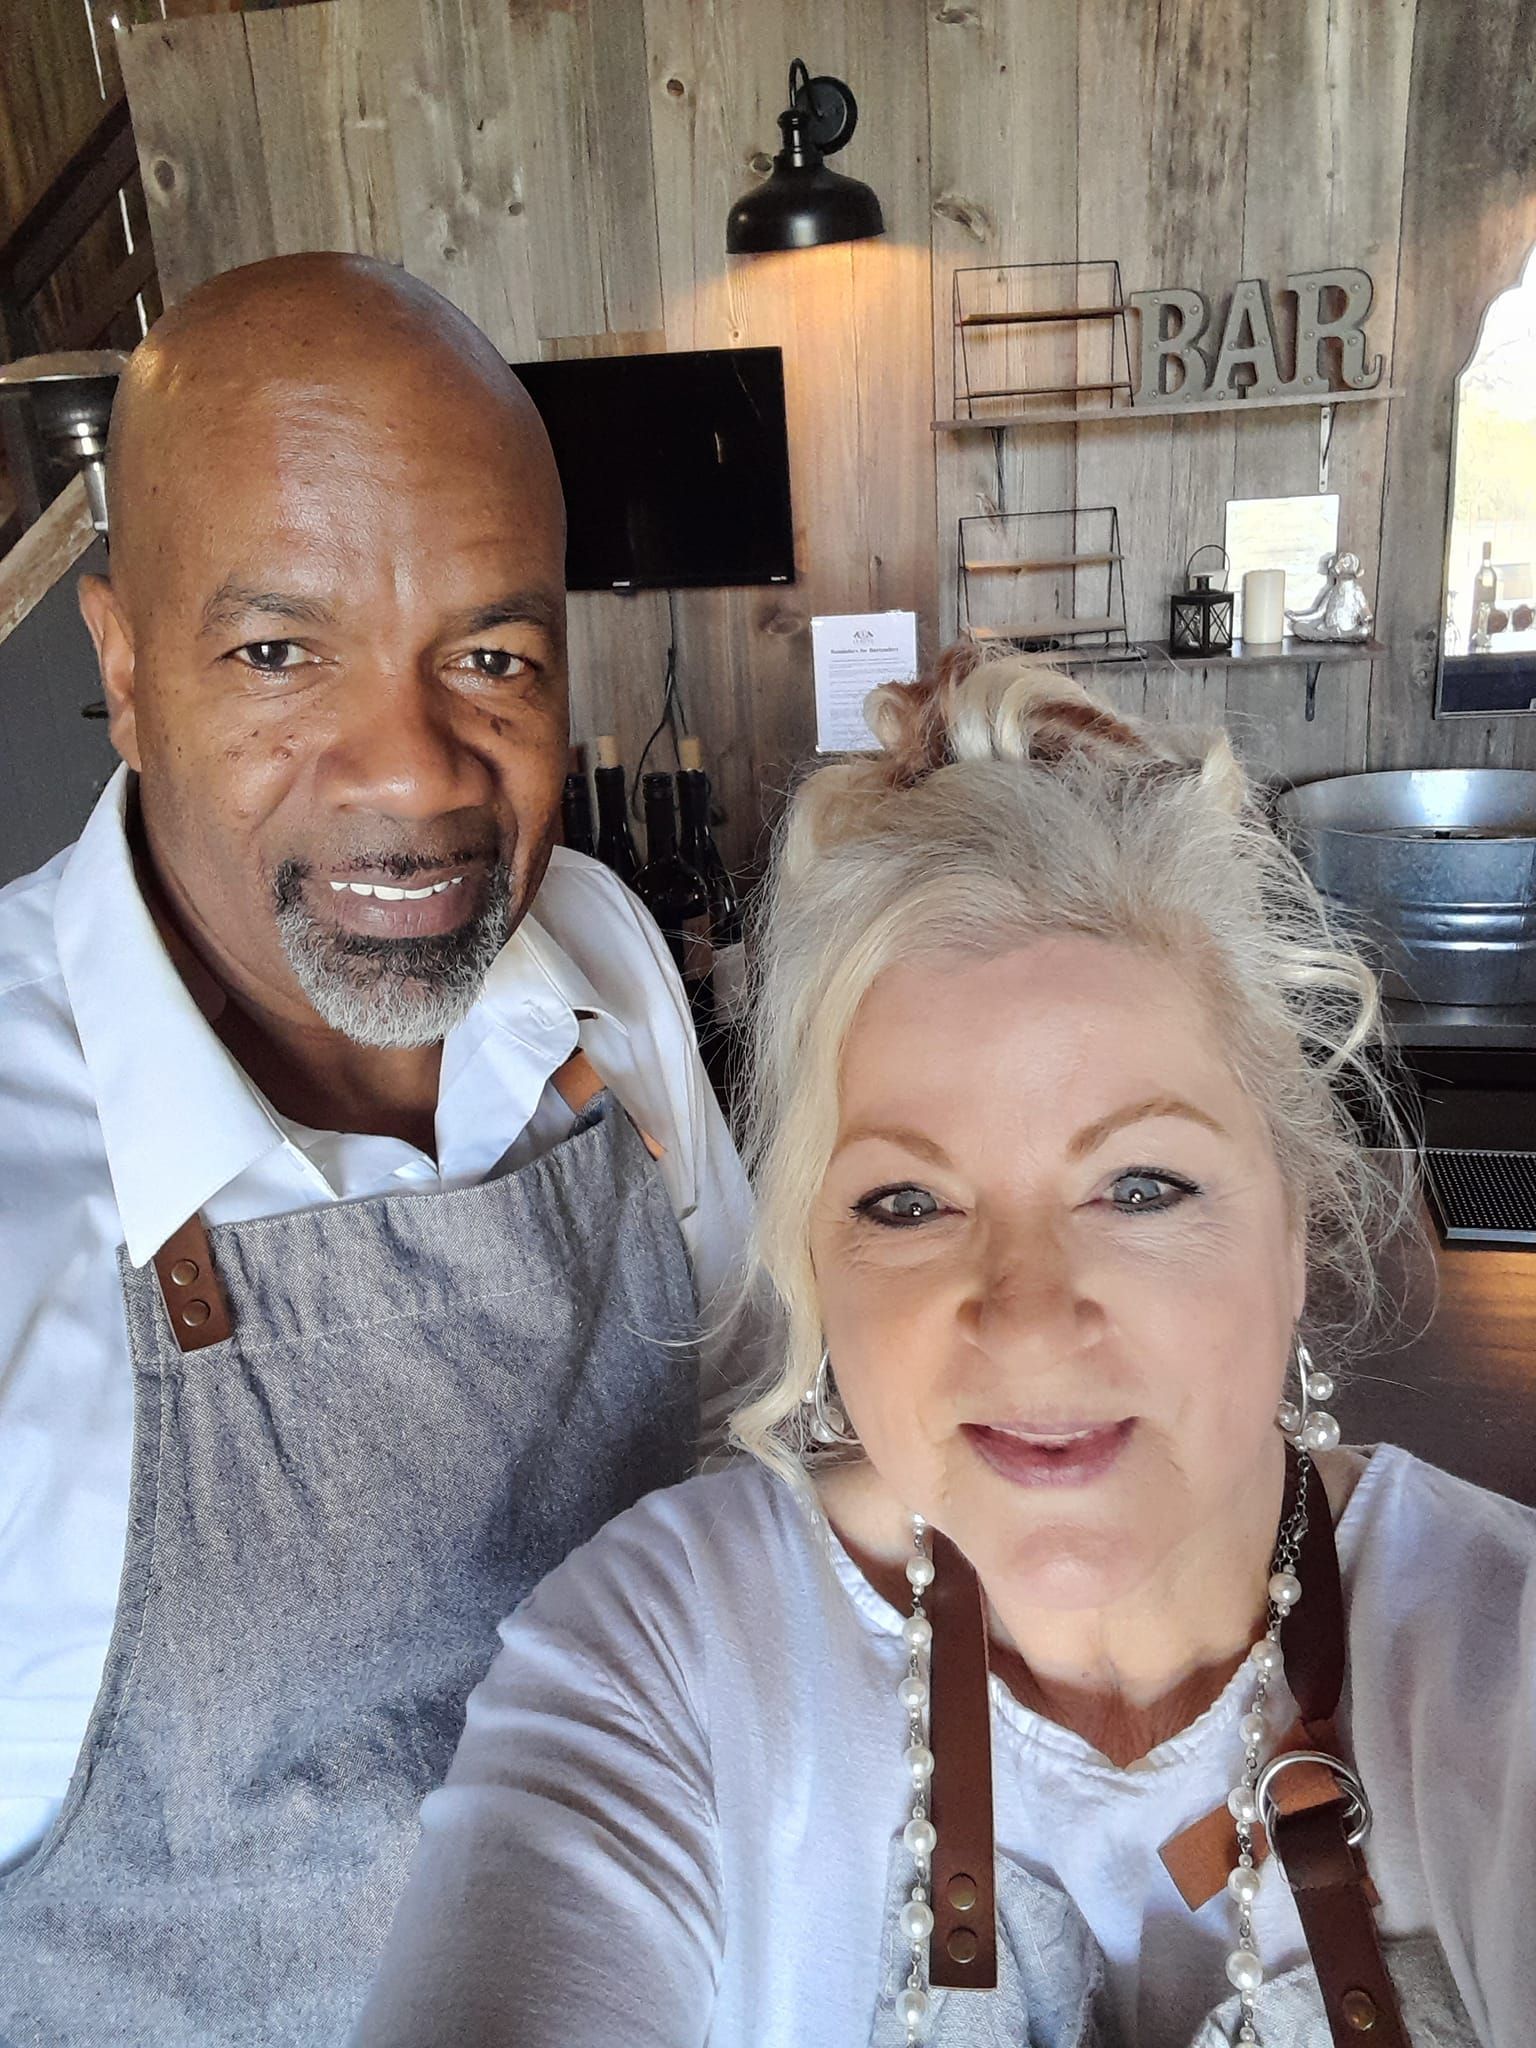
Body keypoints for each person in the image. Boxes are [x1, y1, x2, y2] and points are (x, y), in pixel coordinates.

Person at [352, 651, 1535, 2048]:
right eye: (906, 1202)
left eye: (1142, 1185)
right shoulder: (661, 1663)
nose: (1028, 1316)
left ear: (1301, 1224)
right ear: (812, 1257)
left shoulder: (1494, 1660)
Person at [0, 253, 752, 2044]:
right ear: (121, 666)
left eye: (489, 656)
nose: (412, 773)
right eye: (280, 652)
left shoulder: (601, 959)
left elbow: (751, 1450)